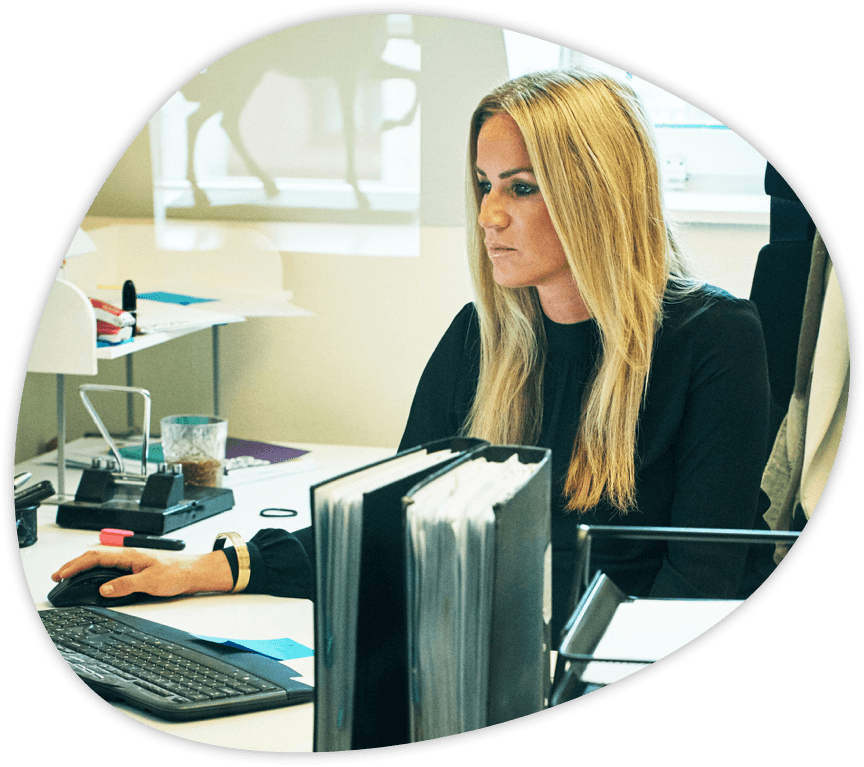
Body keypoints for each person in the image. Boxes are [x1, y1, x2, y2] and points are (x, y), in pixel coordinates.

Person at [52, 69, 775, 639]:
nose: (490, 214)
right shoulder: (480, 337)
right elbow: (385, 522)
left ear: (599, 194)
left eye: (522, 188)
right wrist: (203, 568)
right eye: (484, 185)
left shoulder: (715, 340)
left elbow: (697, 587)